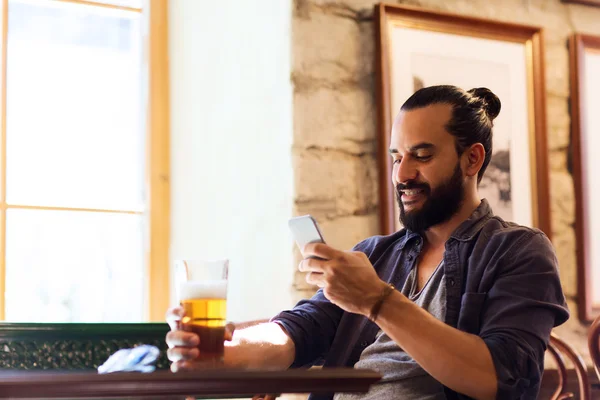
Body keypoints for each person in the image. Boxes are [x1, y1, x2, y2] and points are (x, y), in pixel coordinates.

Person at [166, 85, 569, 400]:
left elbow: (503, 381)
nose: (402, 174)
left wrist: (378, 301)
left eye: (421, 156)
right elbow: (296, 333)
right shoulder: (376, 255)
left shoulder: (519, 251)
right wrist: (225, 348)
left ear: (472, 160)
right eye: (397, 157)